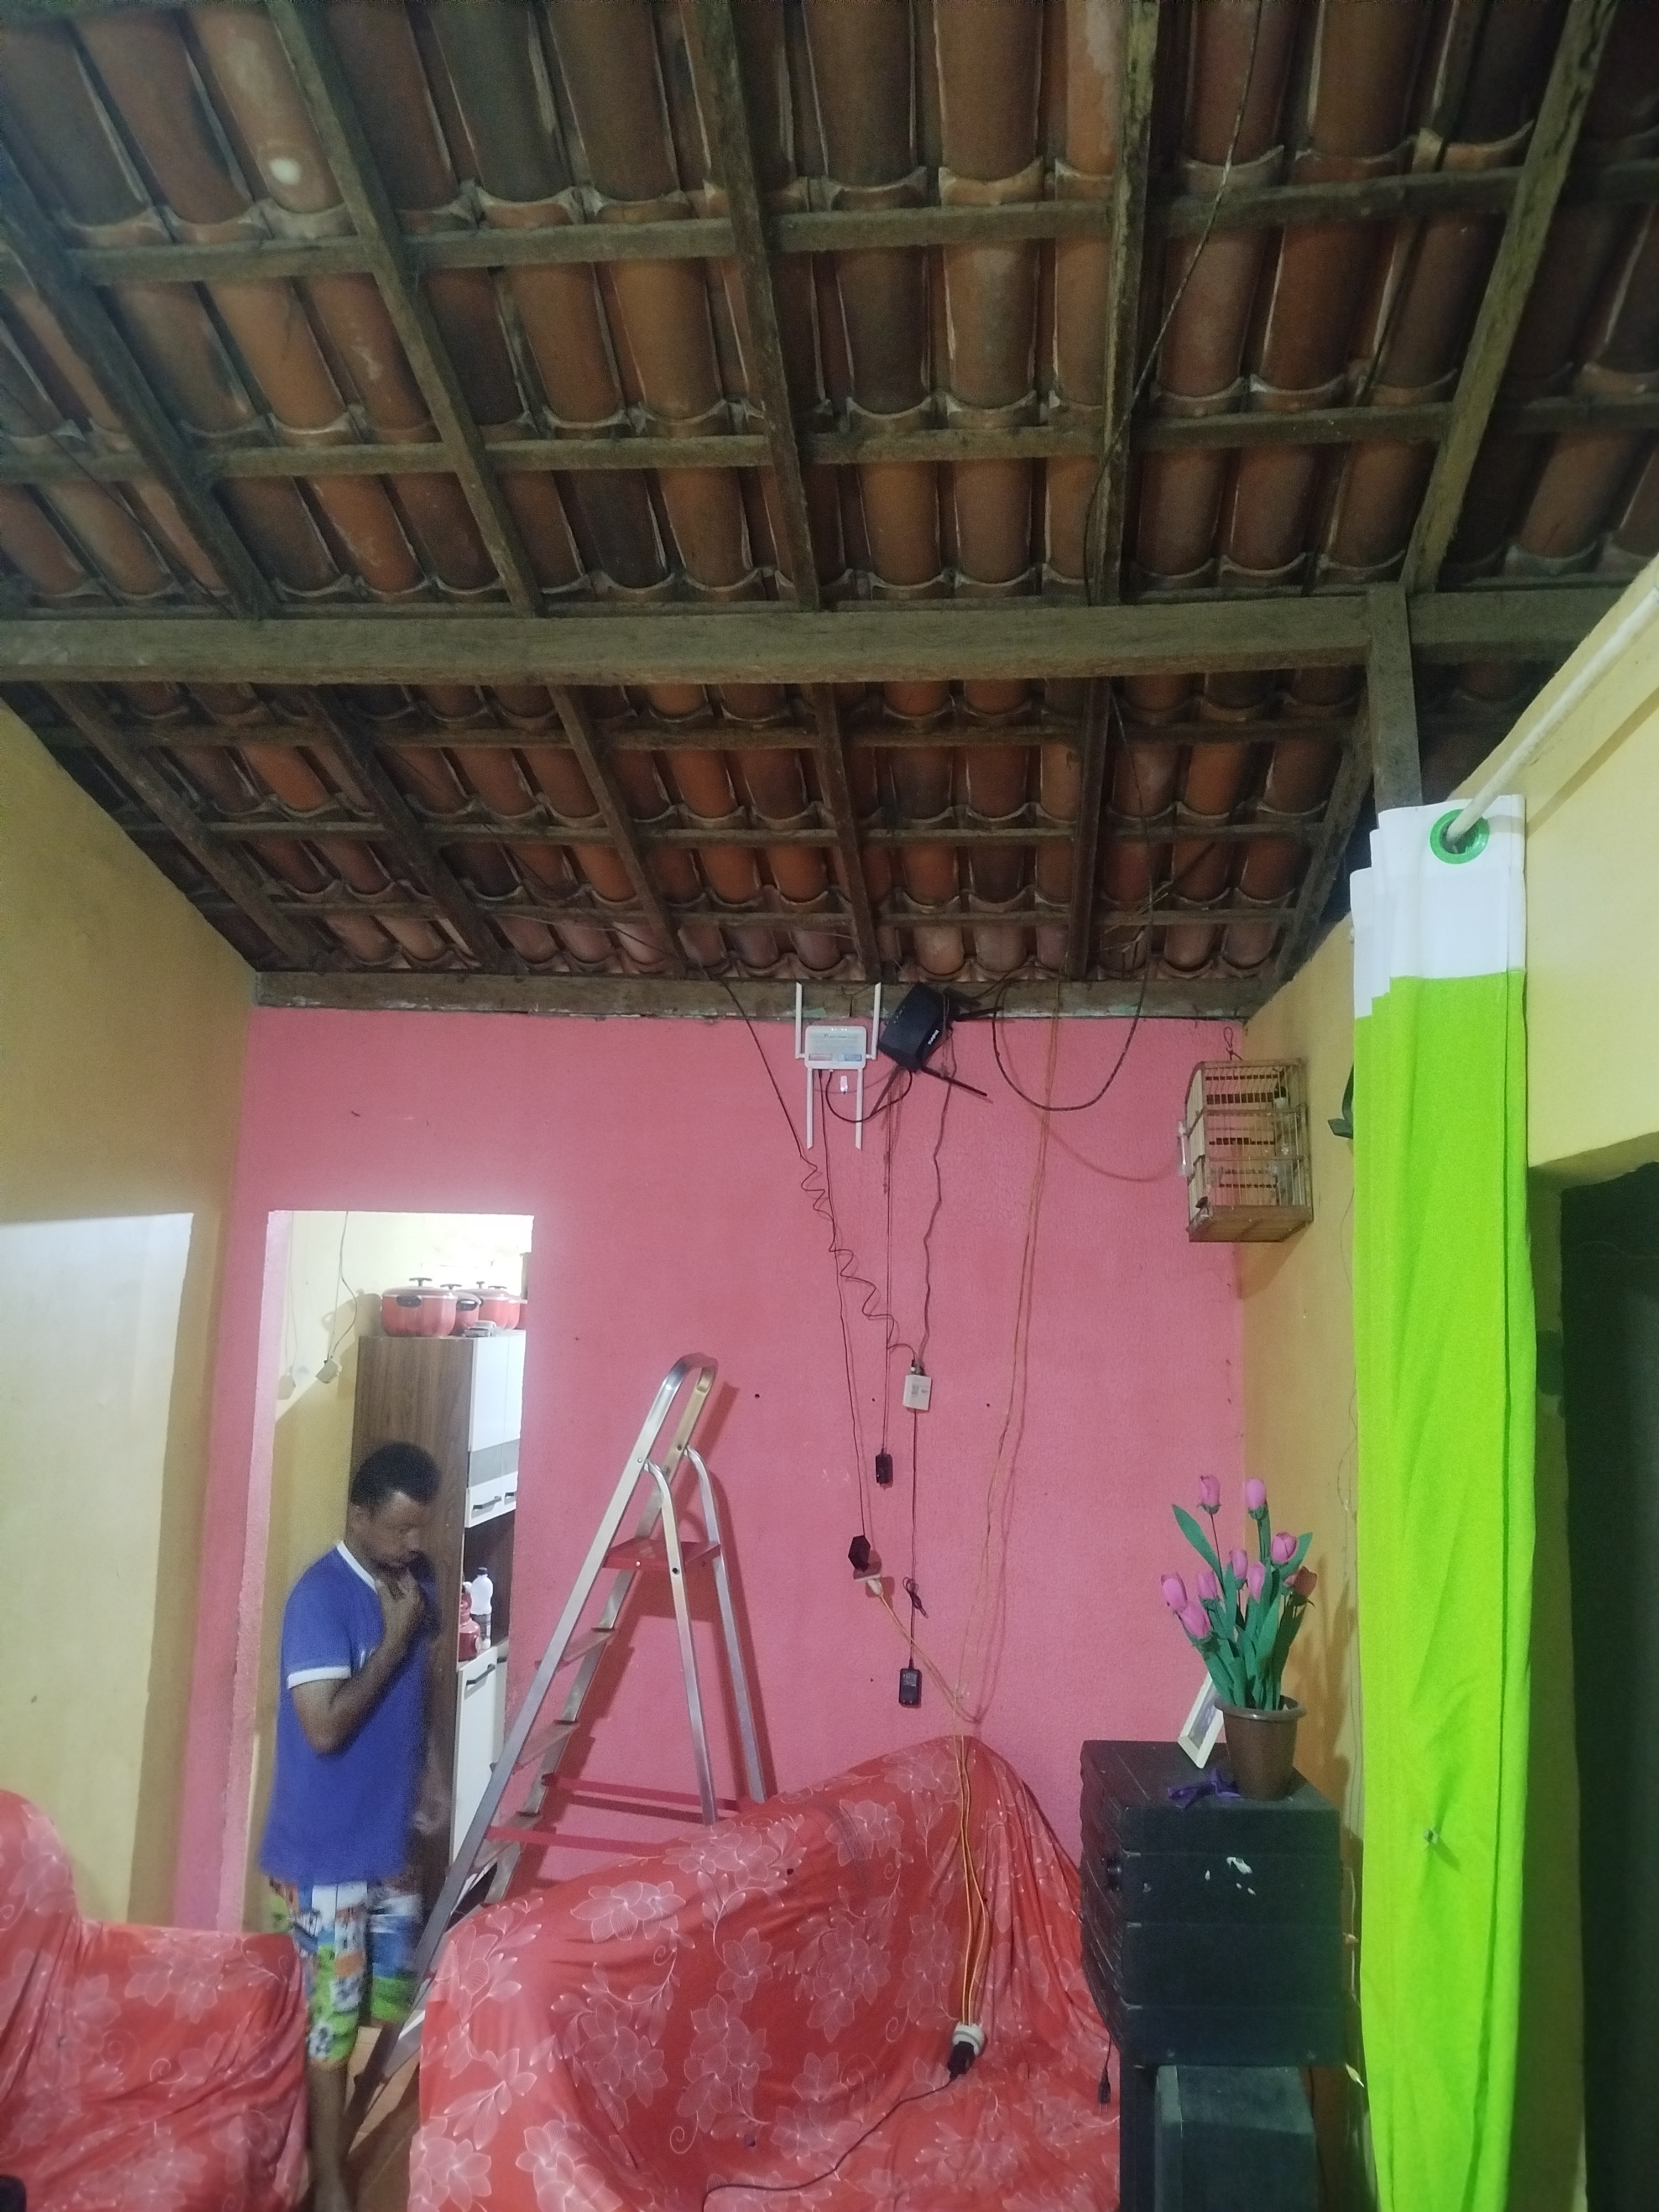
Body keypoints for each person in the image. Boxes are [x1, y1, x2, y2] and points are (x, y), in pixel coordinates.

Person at [260, 1441, 441, 2212]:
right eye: (399, 1529)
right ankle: (328, 2182)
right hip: (324, 1855)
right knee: (329, 2027)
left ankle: (338, 2136)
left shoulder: (418, 1584)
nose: (412, 1544)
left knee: (385, 2005)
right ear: (359, 1516)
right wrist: (392, 1641)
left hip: (388, 1843)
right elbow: (325, 1728)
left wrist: (430, 1775)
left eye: (421, 1527)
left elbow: (416, 1696)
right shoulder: (319, 1599)